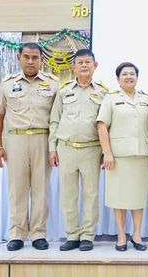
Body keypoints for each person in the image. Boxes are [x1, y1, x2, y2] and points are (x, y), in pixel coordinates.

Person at [0, 42, 59, 251]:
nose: (30, 61)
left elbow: (58, 117)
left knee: (41, 189)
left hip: (43, 140)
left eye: (35, 57)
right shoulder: (7, 84)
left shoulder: (53, 84)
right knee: (17, 189)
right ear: (18, 57)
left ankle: (38, 233)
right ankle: (17, 233)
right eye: (26, 57)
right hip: (16, 140)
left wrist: (55, 147)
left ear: (41, 60)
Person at [48, 49, 108, 251]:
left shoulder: (103, 91)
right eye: (80, 62)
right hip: (66, 149)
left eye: (88, 62)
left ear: (95, 65)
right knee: (68, 195)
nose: (84, 65)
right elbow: (54, 120)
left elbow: (107, 124)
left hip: (92, 149)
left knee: (91, 195)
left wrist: (105, 151)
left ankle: (87, 236)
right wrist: (52, 148)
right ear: (73, 66)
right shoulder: (64, 90)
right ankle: (72, 235)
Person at [97, 62, 148, 251]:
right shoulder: (110, 99)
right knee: (119, 198)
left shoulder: (147, 100)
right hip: (118, 157)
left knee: (137, 198)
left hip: (141, 156)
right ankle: (122, 235)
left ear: (137, 77)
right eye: (124, 74)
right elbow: (102, 126)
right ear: (118, 79)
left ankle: (138, 235)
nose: (128, 76)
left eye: (132, 73)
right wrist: (107, 152)